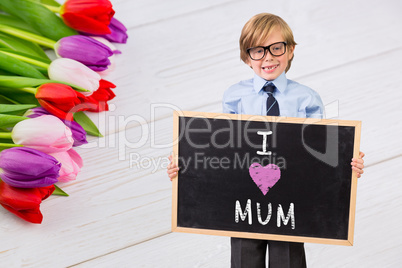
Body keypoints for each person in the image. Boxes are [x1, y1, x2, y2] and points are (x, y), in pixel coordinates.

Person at [167, 13, 365, 268]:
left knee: (288, 258)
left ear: (290, 50)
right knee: (244, 255)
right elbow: (221, 145)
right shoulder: (234, 96)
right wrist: (186, 166)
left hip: (290, 198)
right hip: (244, 196)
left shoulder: (307, 98)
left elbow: (321, 151)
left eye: (276, 48)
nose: (268, 57)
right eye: (258, 51)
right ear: (246, 57)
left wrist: (347, 166)